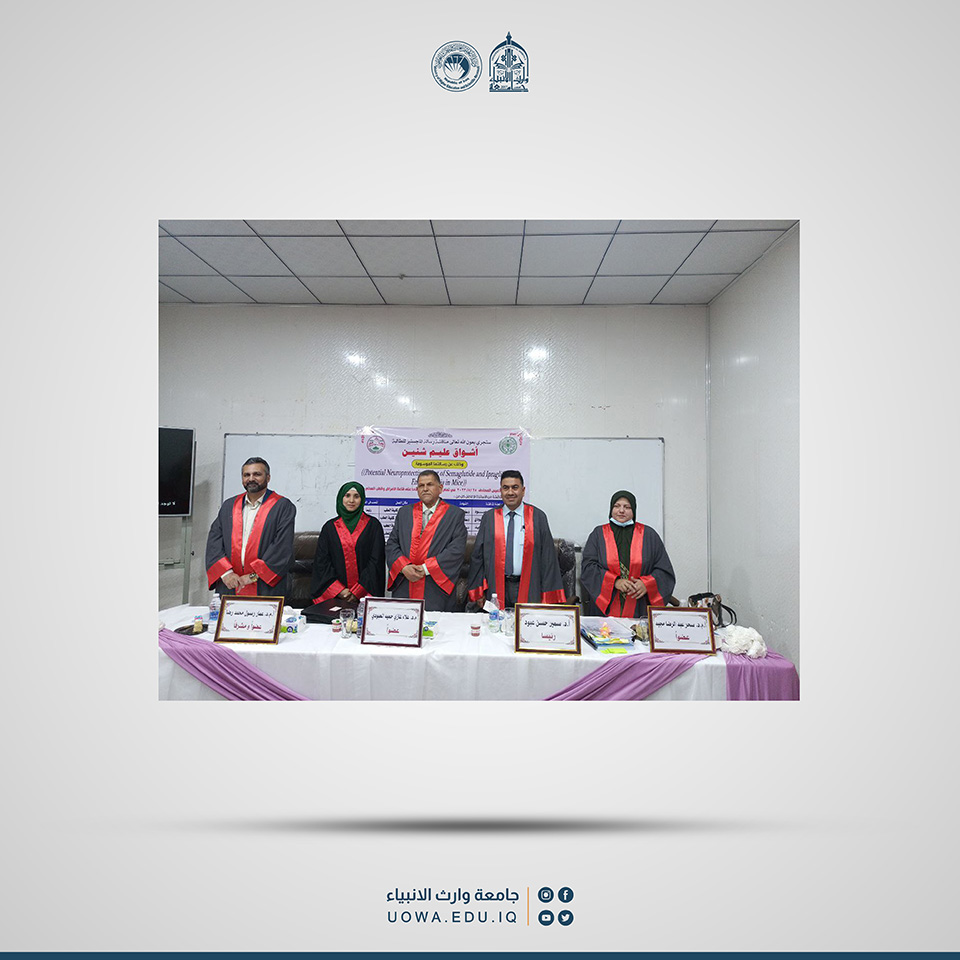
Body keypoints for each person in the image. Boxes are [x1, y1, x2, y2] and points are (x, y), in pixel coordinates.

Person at [466, 470, 566, 609]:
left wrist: (547, 595)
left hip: (530, 586)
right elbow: (478, 557)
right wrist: (478, 591)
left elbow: (548, 558)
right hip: (495, 586)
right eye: (505, 488)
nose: (510, 492)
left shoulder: (537, 517)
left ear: (523, 490)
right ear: (500, 491)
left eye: (515, 487)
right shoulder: (489, 518)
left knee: (526, 621)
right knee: (496, 622)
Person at [205, 457, 297, 598]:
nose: (251, 479)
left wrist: (253, 576)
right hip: (231, 584)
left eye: (257, 474)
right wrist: (226, 573)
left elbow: (282, 547)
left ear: (268, 478)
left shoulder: (282, 506)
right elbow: (214, 541)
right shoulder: (229, 506)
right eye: (246, 475)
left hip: (265, 586)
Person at [580, 490, 675, 618]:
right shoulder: (598, 535)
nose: (621, 510)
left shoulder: (649, 535)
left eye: (627, 507)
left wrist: (647, 584)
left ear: (633, 510)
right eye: (617, 506)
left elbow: (664, 571)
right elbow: (588, 568)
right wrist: (614, 582)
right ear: (611, 509)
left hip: (639, 604)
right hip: (605, 608)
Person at [386, 470, 467, 612]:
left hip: (435, 586)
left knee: (435, 624)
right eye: (421, 485)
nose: (425, 489)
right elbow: (392, 544)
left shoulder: (454, 514)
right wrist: (404, 567)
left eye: (430, 484)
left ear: (440, 488)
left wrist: (425, 569)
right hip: (405, 582)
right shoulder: (404, 512)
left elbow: (456, 549)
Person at [308, 481, 385, 606]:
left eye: (356, 496)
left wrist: (357, 591)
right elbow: (322, 562)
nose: (351, 500)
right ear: (341, 498)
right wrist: (340, 590)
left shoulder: (373, 526)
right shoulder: (329, 528)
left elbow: (376, 562)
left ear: (362, 499)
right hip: (335, 595)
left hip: (366, 593)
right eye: (347, 495)